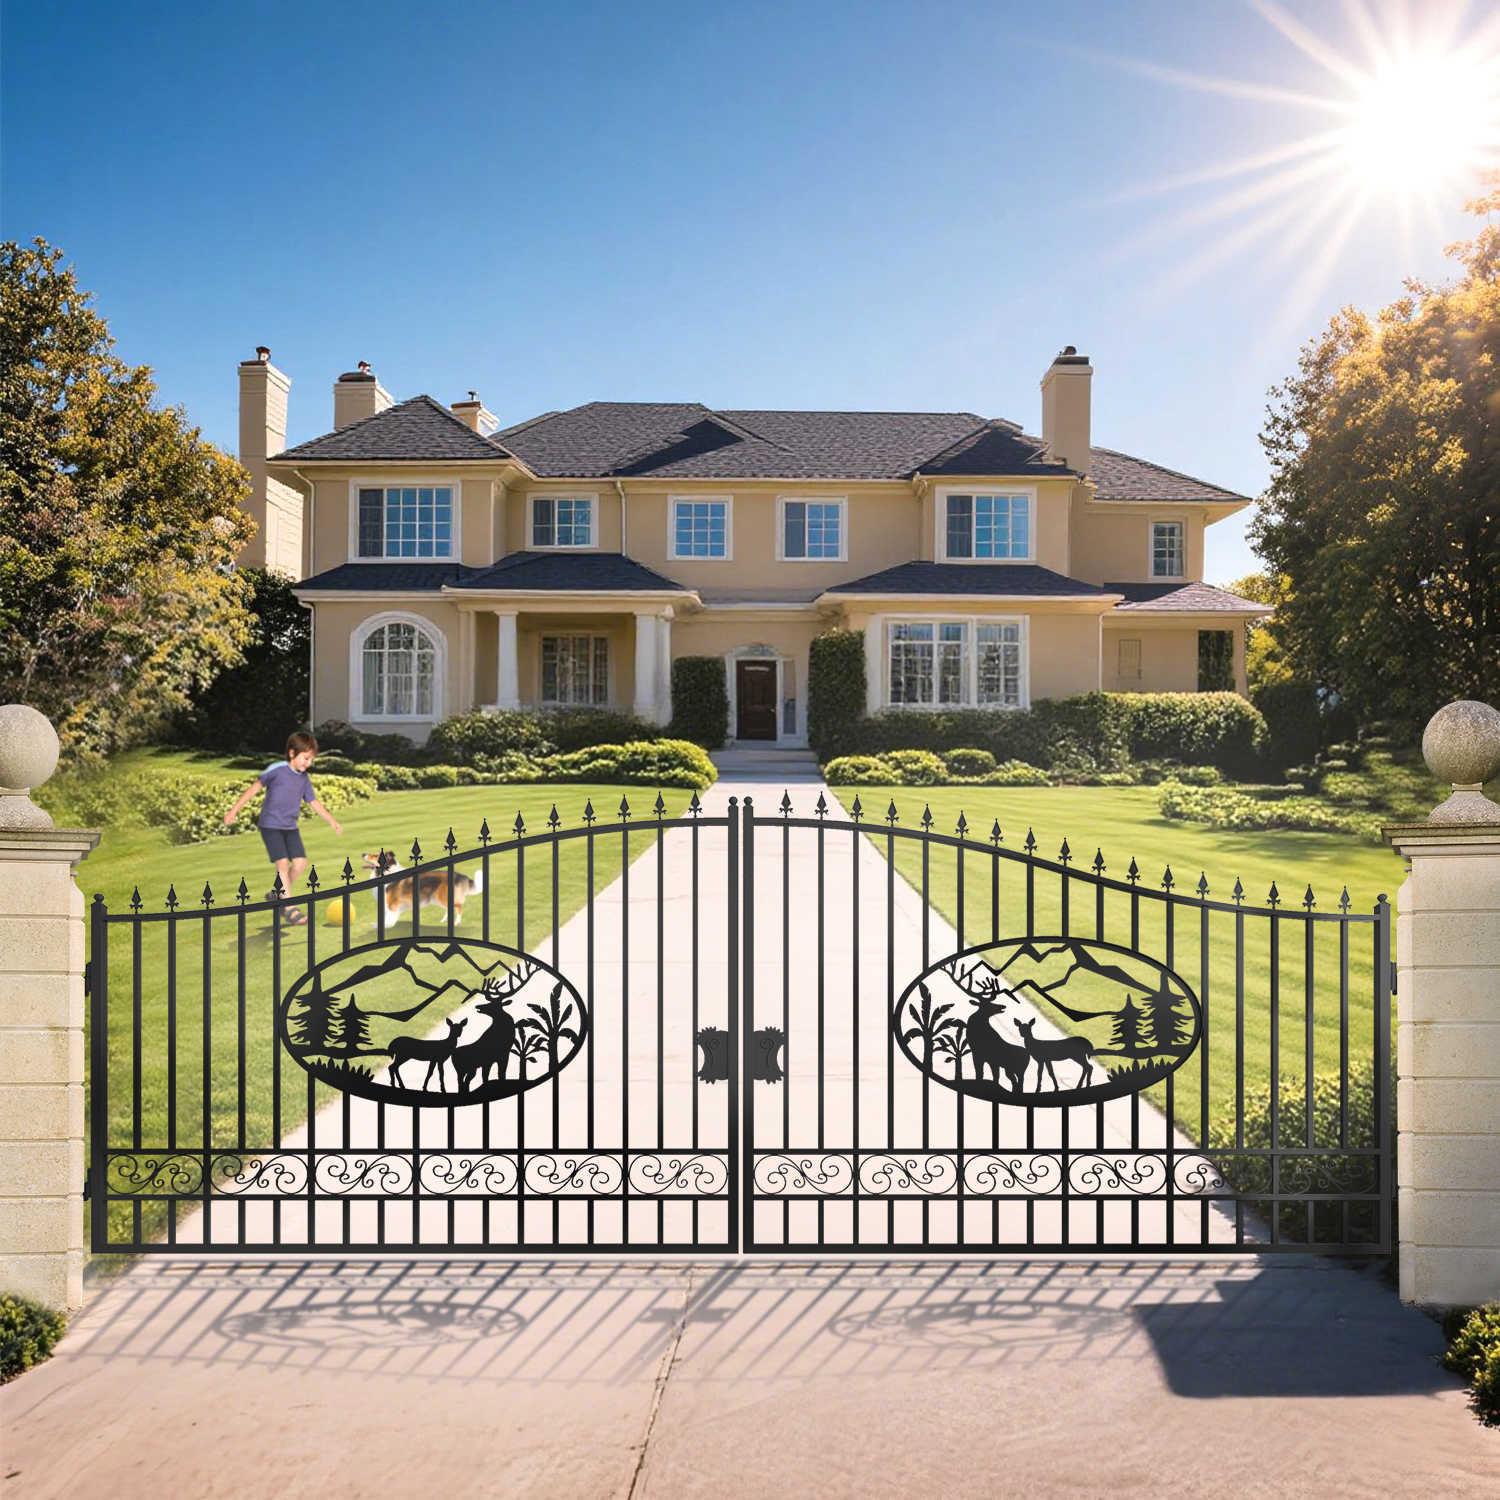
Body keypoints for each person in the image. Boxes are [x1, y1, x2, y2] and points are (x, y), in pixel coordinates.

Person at [223, 731, 343, 923]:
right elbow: (253, 789)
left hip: (289, 827)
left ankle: (277, 893)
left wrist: (332, 820)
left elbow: (313, 802)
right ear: (292, 753)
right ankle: (288, 908)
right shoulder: (276, 770)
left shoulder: (304, 779)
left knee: (301, 864)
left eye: (311, 759)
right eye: (305, 758)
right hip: (271, 825)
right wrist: (233, 811)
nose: (308, 763)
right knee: (282, 864)